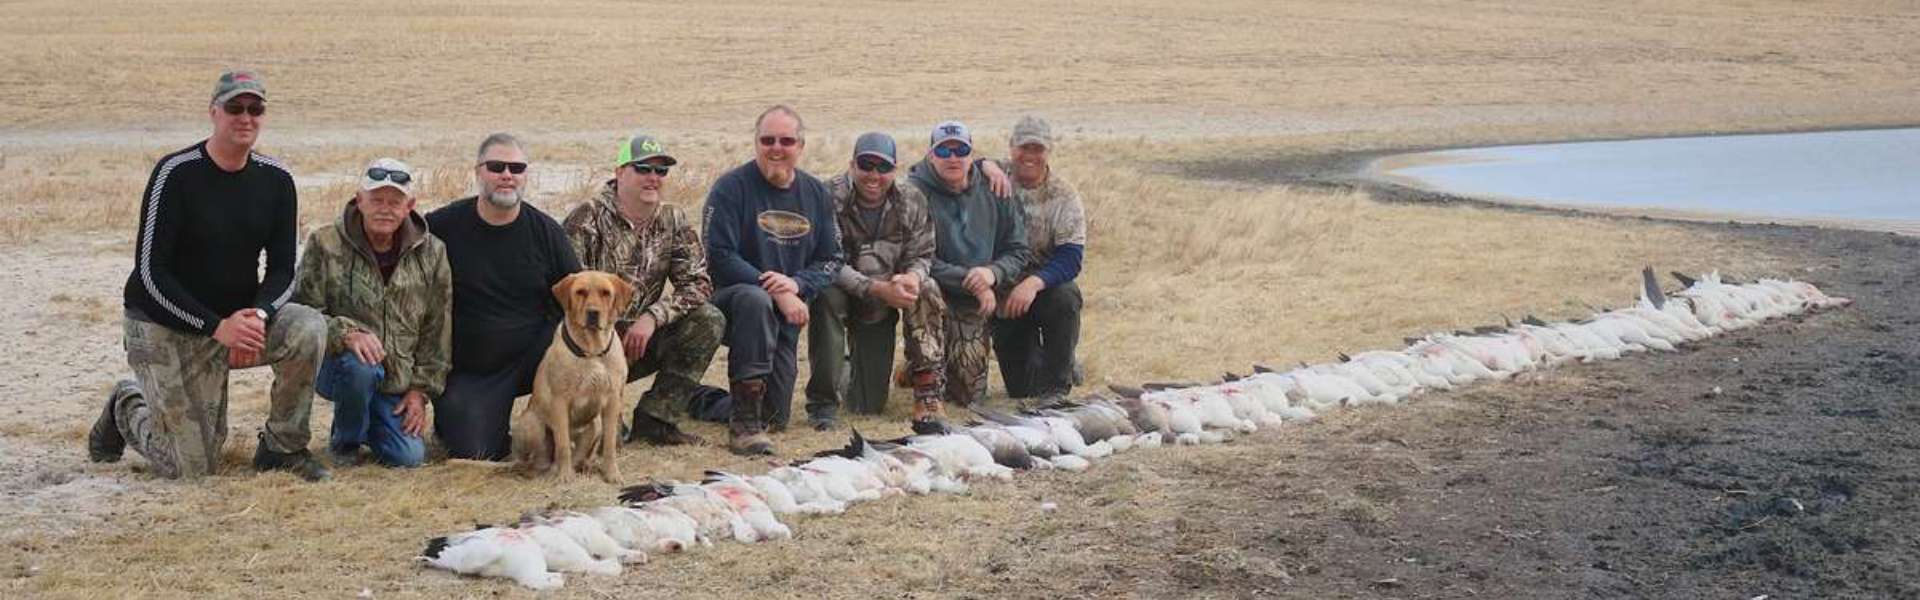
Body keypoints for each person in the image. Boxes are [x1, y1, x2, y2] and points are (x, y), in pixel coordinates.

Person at [90, 70, 331, 481]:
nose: (245, 117)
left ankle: (282, 447)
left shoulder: (277, 180)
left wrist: (255, 318)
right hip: (165, 325)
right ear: (213, 113)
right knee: (191, 467)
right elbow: (150, 272)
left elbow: (282, 270)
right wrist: (216, 327)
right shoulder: (175, 173)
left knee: (307, 326)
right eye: (235, 107)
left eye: (255, 109)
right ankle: (126, 404)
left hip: (237, 322)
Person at [426, 133, 582, 460]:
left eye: (517, 167)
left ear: (526, 175)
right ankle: (460, 419)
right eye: (496, 166)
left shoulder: (547, 232)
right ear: (478, 172)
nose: (507, 175)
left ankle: (570, 422)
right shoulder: (441, 227)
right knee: (475, 451)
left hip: (535, 359)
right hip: (470, 368)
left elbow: (578, 300)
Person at [563, 133, 721, 446]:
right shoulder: (587, 217)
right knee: (608, 442)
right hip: (592, 342)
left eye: (660, 171)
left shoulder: (672, 218)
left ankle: (657, 420)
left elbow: (698, 282)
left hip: (641, 337)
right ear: (620, 172)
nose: (653, 178)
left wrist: (653, 317)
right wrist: (608, 330)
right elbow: (568, 292)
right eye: (643, 169)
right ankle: (598, 412)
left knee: (708, 319)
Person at [291, 158, 449, 468]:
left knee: (408, 458)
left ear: (410, 206)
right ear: (359, 201)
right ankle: (345, 442)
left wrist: (419, 391)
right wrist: (346, 334)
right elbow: (301, 314)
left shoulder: (433, 252)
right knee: (361, 369)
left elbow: (437, 327)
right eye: (376, 199)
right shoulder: (324, 243)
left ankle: (370, 420)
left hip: (397, 377)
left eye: (395, 201)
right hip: (340, 366)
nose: (385, 209)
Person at [703, 105, 842, 455]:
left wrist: (796, 285)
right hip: (737, 308)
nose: (776, 148)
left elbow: (832, 259)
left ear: (801, 146)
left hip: (786, 311)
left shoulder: (816, 194)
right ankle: (743, 427)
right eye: (767, 140)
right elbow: (719, 255)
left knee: (776, 415)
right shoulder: (730, 189)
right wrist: (775, 290)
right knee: (756, 299)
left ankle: (701, 398)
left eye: (786, 140)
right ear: (755, 143)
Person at [804, 132, 948, 429]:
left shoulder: (911, 199)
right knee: (825, 296)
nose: (874, 175)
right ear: (851, 165)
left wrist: (910, 277)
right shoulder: (825, 196)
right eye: (866, 165)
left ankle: (927, 390)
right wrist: (876, 288)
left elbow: (923, 254)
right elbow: (824, 261)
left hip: (881, 305)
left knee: (866, 407)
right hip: (843, 290)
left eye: (882, 167)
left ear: (894, 169)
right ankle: (823, 403)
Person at [907, 121, 1031, 408]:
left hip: (976, 298)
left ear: (971, 154)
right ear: (931, 155)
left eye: (960, 150)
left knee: (967, 398)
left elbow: (1018, 249)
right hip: (937, 290)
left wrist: (992, 273)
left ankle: (926, 363)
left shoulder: (995, 186)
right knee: (922, 286)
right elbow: (918, 257)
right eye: (944, 150)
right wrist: (972, 280)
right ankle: (922, 368)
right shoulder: (913, 193)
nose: (953, 157)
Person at [989, 116, 1087, 399]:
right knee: (1021, 390)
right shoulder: (993, 177)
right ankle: (1059, 361)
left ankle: (1059, 383)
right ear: (1011, 148)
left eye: (1038, 149)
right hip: (1002, 290)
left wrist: (1032, 284)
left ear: (1049, 151)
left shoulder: (1064, 196)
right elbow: (949, 165)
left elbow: (1071, 258)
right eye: (1023, 148)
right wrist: (983, 164)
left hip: (1043, 290)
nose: (1030, 156)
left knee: (1066, 297)